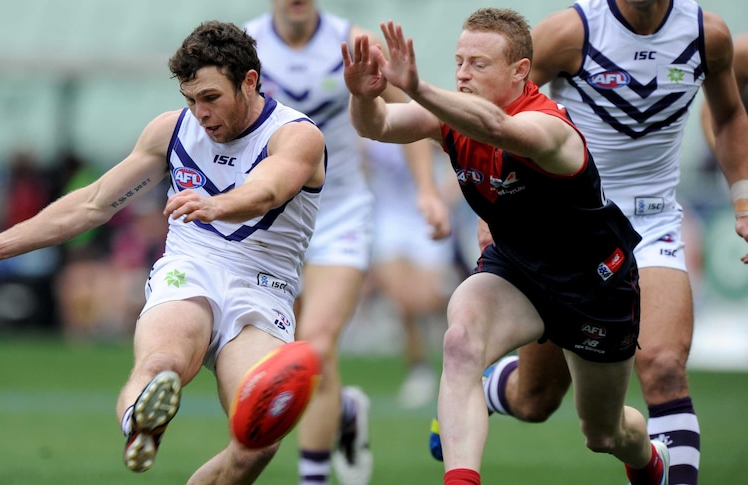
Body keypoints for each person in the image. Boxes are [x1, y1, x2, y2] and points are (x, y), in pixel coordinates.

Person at [0, 20, 327, 484]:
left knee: (257, 439)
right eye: (190, 99)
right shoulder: (171, 132)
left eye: (211, 98)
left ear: (249, 81)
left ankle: (148, 416)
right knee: (162, 363)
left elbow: (267, 190)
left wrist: (217, 204)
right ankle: (141, 419)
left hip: (263, 289)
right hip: (191, 270)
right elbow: (95, 203)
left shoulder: (296, 135)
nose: (200, 112)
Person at [344, 9, 671, 485]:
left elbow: (497, 129)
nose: (461, 73)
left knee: (603, 432)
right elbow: (377, 125)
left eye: (478, 64)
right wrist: (362, 94)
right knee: (459, 342)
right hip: (517, 269)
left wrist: (418, 88)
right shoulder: (452, 112)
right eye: (458, 61)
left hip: (593, 284)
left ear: (520, 71)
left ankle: (651, 460)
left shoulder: (550, 126)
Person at [429, 3, 748, 484]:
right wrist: (496, 209)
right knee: (534, 400)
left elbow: (728, 117)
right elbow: (497, 113)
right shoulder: (571, 31)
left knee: (662, 367)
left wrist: (742, 199)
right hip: (563, 233)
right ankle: (495, 388)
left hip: (651, 222)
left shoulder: (708, 35)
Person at [244, 3, 450, 484]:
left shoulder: (352, 41)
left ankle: (311, 478)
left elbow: (409, 111)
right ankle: (344, 414)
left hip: (338, 214)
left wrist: (425, 190)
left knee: (314, 346)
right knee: (283, 351)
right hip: (271, 218)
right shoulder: (244, 46)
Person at [361, 139, 458, 409]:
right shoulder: (368, 123)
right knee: (404, 302)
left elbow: (457, 157)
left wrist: (445, 196)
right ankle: (420, 371)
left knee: (428, 300)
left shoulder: (421, 118)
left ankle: (459, 357)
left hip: (425, 215)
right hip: (389, 218)